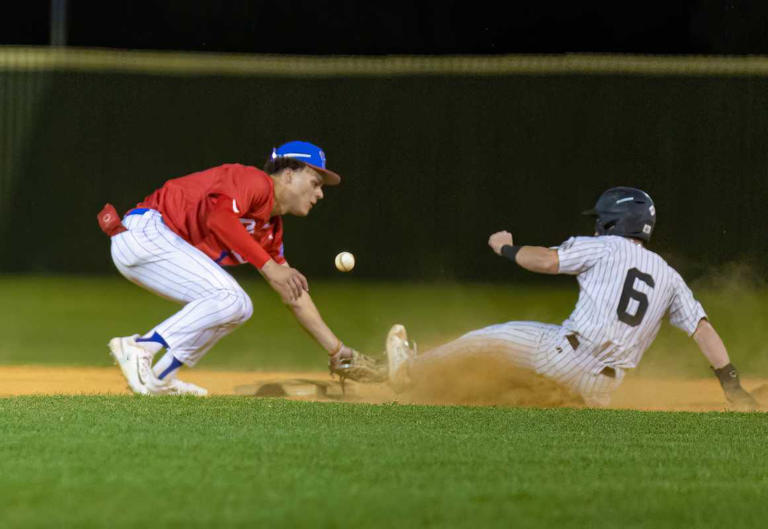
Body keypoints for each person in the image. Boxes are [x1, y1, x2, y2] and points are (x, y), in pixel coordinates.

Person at [385, 187, 758, 410]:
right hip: (602, 389)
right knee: (515, 386)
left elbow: (547, 261)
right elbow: (702, 329)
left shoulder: (602, 247)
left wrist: (506, 248)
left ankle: (409, 373)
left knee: (489, 339)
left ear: (613, 222)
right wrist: (731, 384)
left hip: (563, 353)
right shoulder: (670, 276)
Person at [98, 141, 360, 395]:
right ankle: (140, 348)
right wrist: (269, 267)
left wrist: (338, 351)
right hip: (144, 233)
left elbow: (294, 296)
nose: (320, 193)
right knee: (231, 298)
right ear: (289, 175)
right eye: (315, 182)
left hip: (154, 246)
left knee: (240, 307)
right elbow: (219, 218)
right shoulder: (254, 181)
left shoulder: (269, 230)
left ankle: (160, 377)